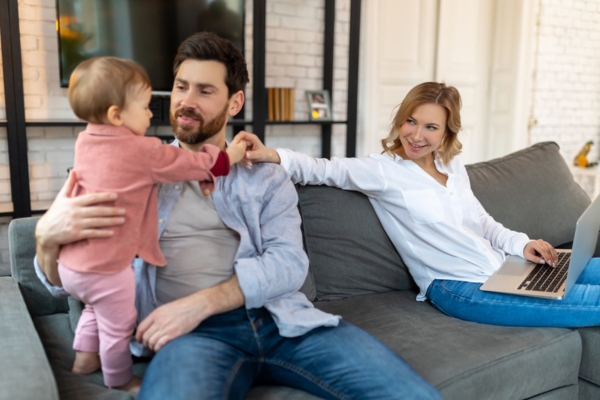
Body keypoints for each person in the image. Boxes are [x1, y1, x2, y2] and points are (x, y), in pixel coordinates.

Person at [34, 33, 442, 399]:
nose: (186, 101)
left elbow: (289, 264)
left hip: (282, 323)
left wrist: (201, 303)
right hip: (192, 339)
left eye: (205, 90)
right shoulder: (126, 167)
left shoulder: (264, 174)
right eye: (180, 87)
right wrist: (46, 240)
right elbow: (71, 280)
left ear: (235, 102)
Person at [242, 81, 600, 329]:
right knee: (591, 303)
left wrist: (523, 244)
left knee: (591, 270)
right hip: (459, 288)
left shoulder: (452, 167)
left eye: (430, 127)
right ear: (400, 121)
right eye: (410, 121)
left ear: (446, 133)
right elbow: (322, 169)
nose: (416, 135)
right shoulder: (382, 171)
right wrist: (269, 154)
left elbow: (482, 221)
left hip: (503, 268)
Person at [55, 56, 247, 393]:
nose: (150, 114)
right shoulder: (145, 152)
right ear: (116, 115)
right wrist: (228, 158)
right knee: (118, 321)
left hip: (74, 265)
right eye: (144, 107)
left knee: (94, 304)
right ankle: (119, 377)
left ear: (235, 101)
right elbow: (194, 164)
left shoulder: (84, 142)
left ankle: (85, 356)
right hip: (109, 267)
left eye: (204, 90)